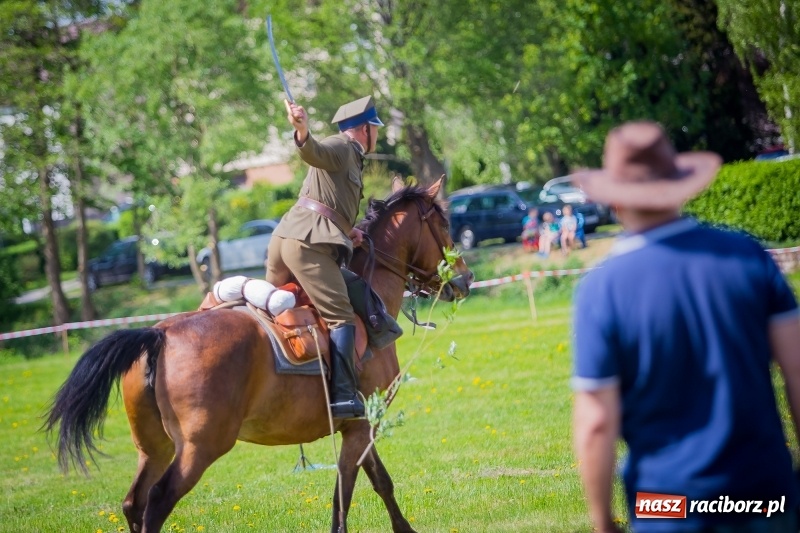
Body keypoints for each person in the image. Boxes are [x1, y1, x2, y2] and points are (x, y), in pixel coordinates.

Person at [571, 121, 800, 533]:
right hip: (763, 495)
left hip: (667, 506)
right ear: (680, 184)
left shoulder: (601, 290)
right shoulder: (748, 257)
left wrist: (604, 522)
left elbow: (596, 422)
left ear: (616, 203)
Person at [266, 95, 384, 419]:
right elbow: (314, 152)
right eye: (376, 128)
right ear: (364, 129)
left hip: (287, 237)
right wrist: (302, 131)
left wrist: (347, 231)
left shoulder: (352, 155)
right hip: (307, 244)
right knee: (341, 317)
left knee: (269, 312)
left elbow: (328, 202)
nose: (379, 135)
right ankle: (344, 398)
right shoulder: (343, 146)